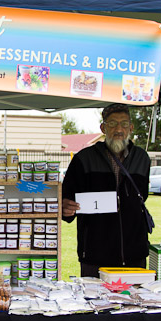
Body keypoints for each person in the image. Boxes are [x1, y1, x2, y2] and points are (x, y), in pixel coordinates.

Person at [62, 103, 151, 277]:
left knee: (134, 295)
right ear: (103, 128)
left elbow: (142, 197)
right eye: (112, 124)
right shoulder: (83, 159)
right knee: (94, 295)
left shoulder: (142, 158)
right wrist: (66, 208)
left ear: (131, 127)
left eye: (124, 124)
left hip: (134, 253)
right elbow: (66, 198)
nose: (119, 129)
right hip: (95, 254)